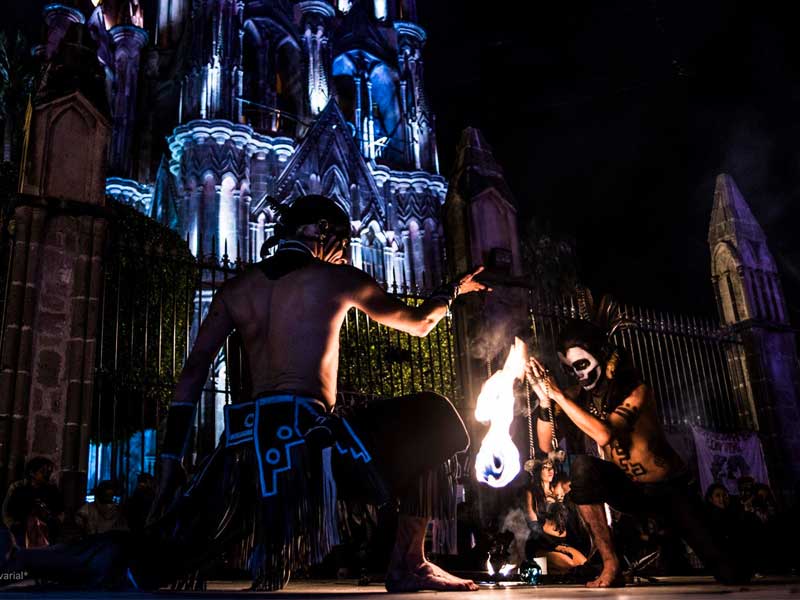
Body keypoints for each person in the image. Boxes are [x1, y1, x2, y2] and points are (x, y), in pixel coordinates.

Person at [143, 194, 488, 592]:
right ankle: (411, 562)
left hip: (243, 446)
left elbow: (191, 375)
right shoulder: (337, 279)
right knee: (437, 417)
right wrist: (453, 290)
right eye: (341, 243)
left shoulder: (237, 288)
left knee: (158, 553)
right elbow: (421, 323)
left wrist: (170, 458)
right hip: (313, 443)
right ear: (321, 233)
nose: (343, 254)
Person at [528, 314, 747, 587]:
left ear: (600, 354)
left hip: (669, 490)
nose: (579, 375)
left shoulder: (635, 389)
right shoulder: (577, 396)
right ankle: (611, 564)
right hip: (628, 491)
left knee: (731, 573)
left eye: (582, 365)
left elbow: (605, 434)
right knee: (582, 470)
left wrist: (558, 395)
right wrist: (543, 400)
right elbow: (546, 445)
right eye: (570, 370)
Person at [523, 461, 587, 572]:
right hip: (542, 544)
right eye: (545, 468)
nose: (550, 471)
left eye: (551, 467)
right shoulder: (531, 492)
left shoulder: (556, 489)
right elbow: (532, 524)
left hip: (563, 542)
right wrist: (554, 546)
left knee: (585, 565)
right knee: (571, 566)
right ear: (538, 471)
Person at [2, 457, 64, 549]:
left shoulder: (52, 490)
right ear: (32, 473)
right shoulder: (19, 489)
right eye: (43, 471)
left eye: (49, 471)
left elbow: (59, 512)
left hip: (45, 535)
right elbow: (8, 512)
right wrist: (13, 526)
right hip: (22, 534)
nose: (47, 474)